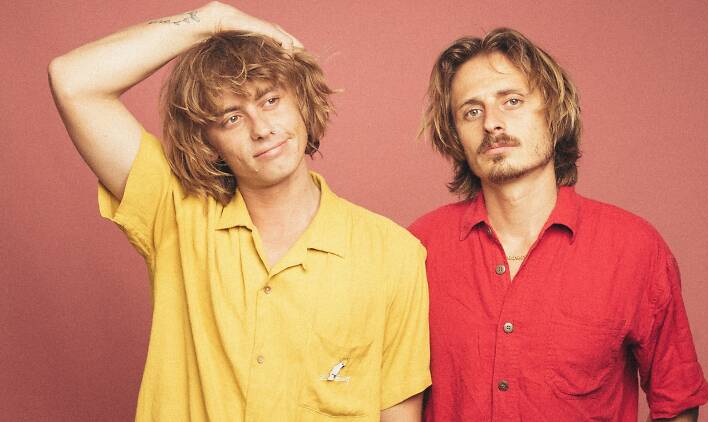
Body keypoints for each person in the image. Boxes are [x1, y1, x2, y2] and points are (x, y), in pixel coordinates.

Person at [48, 3, 430, 420]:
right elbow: (73, 80)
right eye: (231, 118)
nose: (261, 128)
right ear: (208, 141)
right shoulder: (176, 212)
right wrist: (213, 19)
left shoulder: (394, 252)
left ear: (301, 101)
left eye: (270, 100)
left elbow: (398, 412)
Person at [409, 28, 708, 421]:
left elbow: (677, 401)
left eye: (512, 101)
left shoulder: (634, 248)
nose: (491, 123)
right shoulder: (419, 246)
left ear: (553, 111)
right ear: (455, 135)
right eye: (471, 111)